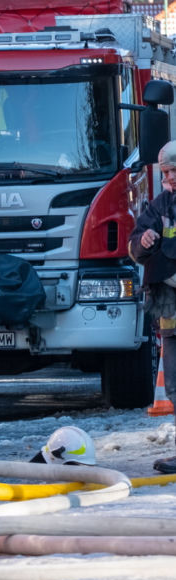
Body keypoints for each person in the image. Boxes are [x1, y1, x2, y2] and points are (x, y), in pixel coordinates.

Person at [128, 139, 176, 474]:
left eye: (173, 172)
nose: (168, 178)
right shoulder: (160, 206)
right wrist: (143, 243)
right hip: (171, 313)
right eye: (165, 173)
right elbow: (135, 243)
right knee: (174, 384)